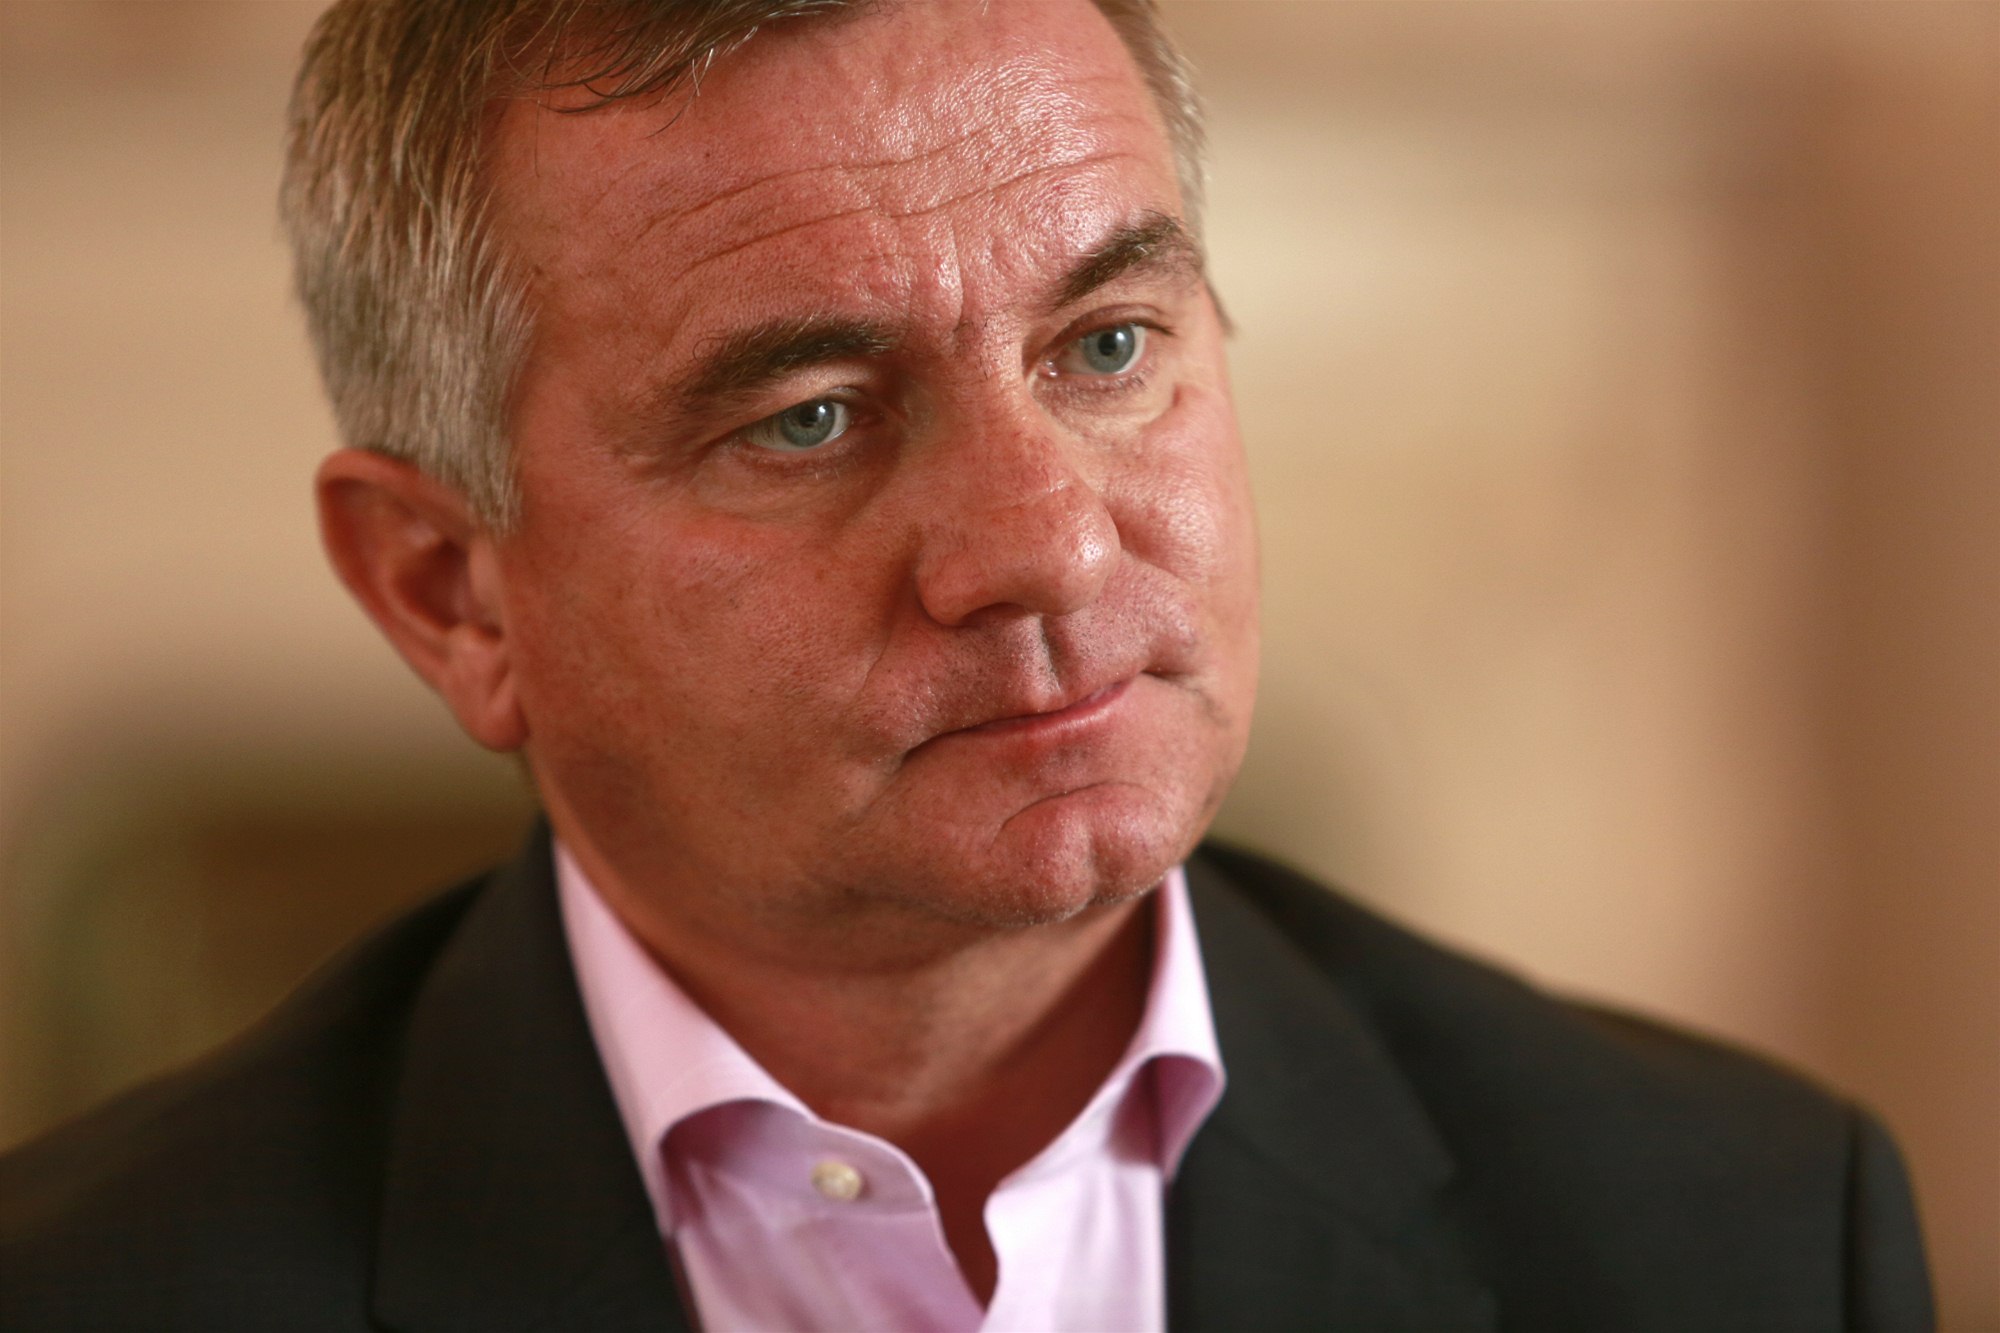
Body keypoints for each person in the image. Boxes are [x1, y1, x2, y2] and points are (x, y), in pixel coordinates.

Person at [0, 0, 1934, 1329]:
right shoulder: (100, 1290)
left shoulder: (1742, 1237)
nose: (1046, 544)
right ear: (450, 593)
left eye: (1107, 345)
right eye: (811, 418)